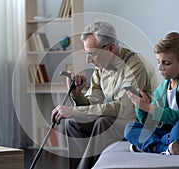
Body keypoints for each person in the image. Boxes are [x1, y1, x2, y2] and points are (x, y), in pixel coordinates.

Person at [51, 20, 159, 169]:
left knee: (103, 123)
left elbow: (124, 109)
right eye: (86, 54)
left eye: (92, 54)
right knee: (73, 122)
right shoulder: (101, 68)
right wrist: (77, 94)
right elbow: (95, 103)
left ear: (111, 48)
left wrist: (74, 110)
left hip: (140, 123)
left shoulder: (135, 65)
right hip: (118, 120)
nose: (88, 60)